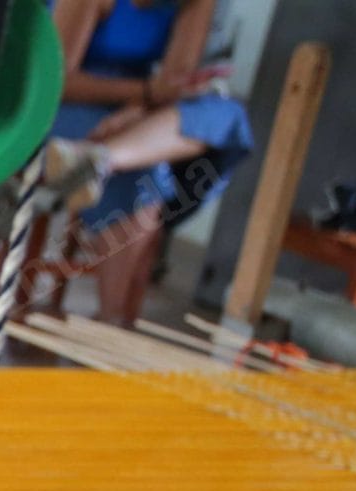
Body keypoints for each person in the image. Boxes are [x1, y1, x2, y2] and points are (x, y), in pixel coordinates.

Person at [48, 0, 255, 324]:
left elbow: (174, 81)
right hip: (70, 102)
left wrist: (140, 108)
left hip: (141, 107)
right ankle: (114, 319)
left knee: (227, 116)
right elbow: (58, 81)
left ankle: (102, 159)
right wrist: (145, 93)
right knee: (146, 175)